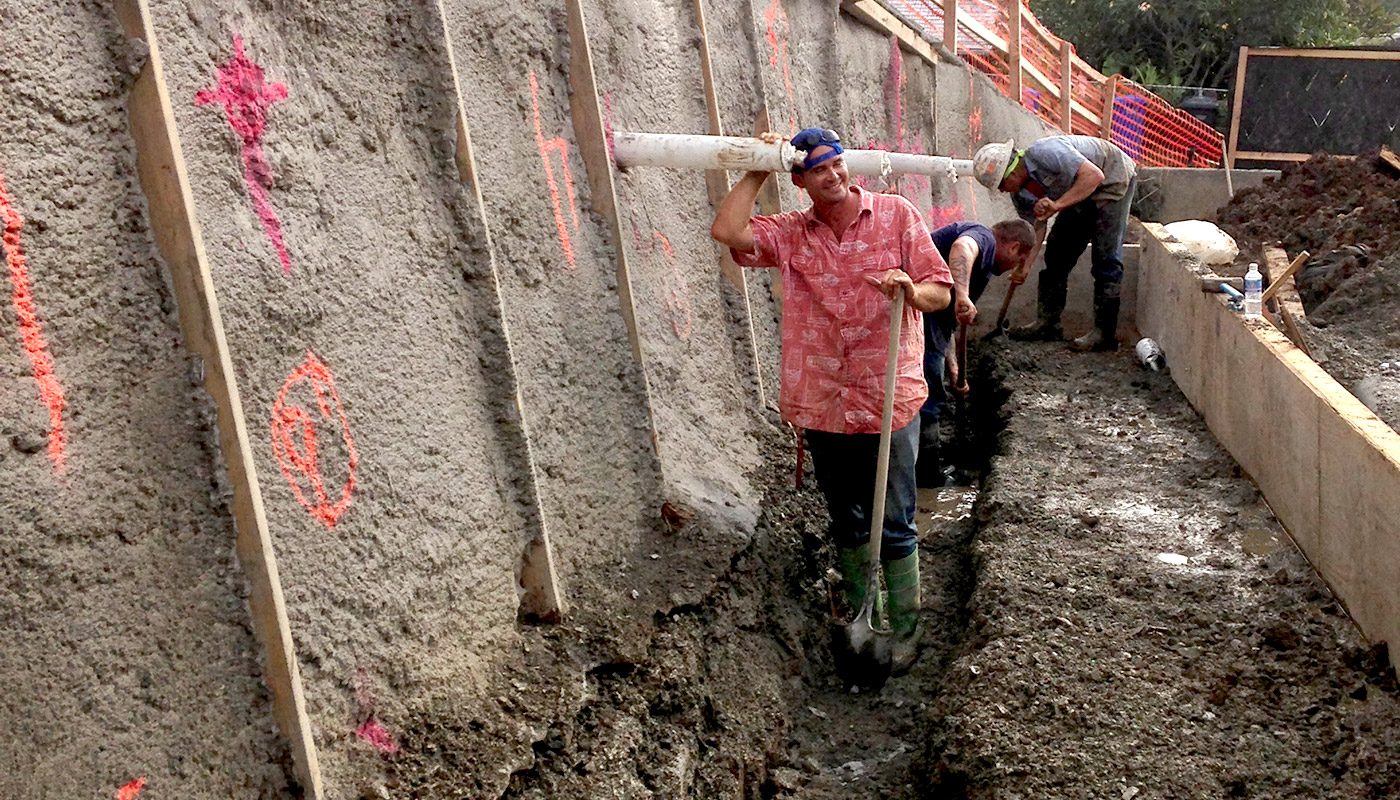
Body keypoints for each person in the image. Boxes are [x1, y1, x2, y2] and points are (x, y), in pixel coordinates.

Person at [710, 127, 953, 674]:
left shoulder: (895, 215)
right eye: (819, 170)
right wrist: (758, 166)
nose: (835, 176)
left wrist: (912, 292)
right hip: (823, 401)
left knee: (894, 520)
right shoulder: (792, 234)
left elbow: (941, 288)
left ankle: (905, 627)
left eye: (838, 164)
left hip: (888, 394)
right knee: (846, 518)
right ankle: (864, 613)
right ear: (800, 181)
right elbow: (727, 229)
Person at [972, 135, 1137, 351]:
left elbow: (1094, 176)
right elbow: (1035, 229)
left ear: (1012, 170)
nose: (1002, 190)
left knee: (1106, 259)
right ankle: (1048, 324)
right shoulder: (1021, 195)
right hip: (1079, 192)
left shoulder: (1047, 152)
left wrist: (1057, 205)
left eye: (1002, 183)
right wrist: (1025, 266)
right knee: (1057, 255)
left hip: (1111, 180)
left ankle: (1104, 335)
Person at [918, 219, 1035, 487]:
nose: (1011, 269)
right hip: (915, 323)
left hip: (927, 326)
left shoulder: (982, 253)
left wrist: (954, 366)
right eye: (1018, 261)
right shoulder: (984, 238)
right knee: (928, 400)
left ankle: (922, 468)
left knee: (929, 395)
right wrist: (962, 295)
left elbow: (944, 326)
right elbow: (962, 248)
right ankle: (926, 477)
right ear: (1014, 247)